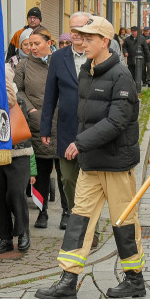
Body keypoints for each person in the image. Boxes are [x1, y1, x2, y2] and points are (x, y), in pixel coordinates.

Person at [34, 15, 145, 299]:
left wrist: (79, 143)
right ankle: (68, 280)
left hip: (117, 163)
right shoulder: (87, 71)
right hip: (91, 163)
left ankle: (134, 278)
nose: (82, 42)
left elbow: (117, 121)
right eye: (81, 37)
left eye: (89, 38)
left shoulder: (121, 75)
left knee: (123, 221)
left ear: (105, 41)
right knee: (79, 219)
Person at [41, 12, 91, 231]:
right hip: (67, 127)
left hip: (93, 130)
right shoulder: (59, 57)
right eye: (72, 29)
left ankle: (89, 225)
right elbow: (50, 95)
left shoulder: (96, 54)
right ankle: (74, 213)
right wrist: (45, 128)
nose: (76, 34)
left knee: (91, 181)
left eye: (80, 29)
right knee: (68, 179)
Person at [16, 29, 57, 229]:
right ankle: (42, 212)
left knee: (65, 173)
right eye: (29, 44)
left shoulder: (59, 62)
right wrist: (31, 109)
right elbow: (18, 90)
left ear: (49, 43)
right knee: (41, 172)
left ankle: (68, 212)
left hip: (60, 123)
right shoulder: (24, 65)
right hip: (37, 124)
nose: (32, 48)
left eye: (36, 44)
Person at [0, 63, 33, 252]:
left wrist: (4, 87)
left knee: (16, 193)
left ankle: (23, 231)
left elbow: (10, 104)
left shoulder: (16, 98)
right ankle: (5, 237)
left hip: (19, 153)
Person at [123, 26, 147, 93]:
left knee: (139, 74)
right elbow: (124, 46)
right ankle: (133, 88)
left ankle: (138, 87)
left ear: (137, 31)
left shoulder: (141, 39)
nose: (133, 33)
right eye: (132, 31)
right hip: (131, 60)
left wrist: (147, 59)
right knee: (131, 74)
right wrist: (125, 52)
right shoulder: (127, 39)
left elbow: (145, 49)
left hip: (140, 60)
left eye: (135, 31)